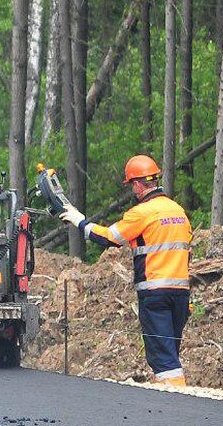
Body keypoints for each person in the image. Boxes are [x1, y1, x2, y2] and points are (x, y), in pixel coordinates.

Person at [60, 154, 192, 387]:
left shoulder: (142, 213)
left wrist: (80, 221)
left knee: (163, 357)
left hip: (155, 294)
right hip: (180, 294)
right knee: (171, 350)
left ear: (139, 184)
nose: (133, 190)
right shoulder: (178, 211)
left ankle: (176, 404)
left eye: (132, 185)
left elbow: (109, 238)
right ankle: (170, 394)